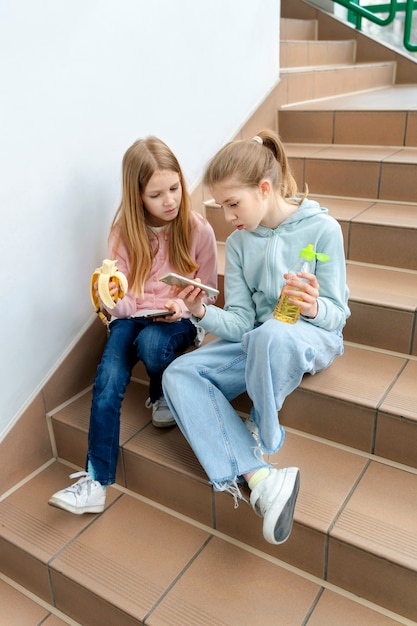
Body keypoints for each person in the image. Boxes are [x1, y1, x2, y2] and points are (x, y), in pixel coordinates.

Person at [162, 129, 350, 545]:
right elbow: (244, 324)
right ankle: (261, 478)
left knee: (271, 335)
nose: (227, 216)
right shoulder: (242, 242)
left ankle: (264, 430)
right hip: (261, 338)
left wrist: (313, 306)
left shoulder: (323, 230)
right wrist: (201, 311)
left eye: (233, 203)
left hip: (309, 334)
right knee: (176, 375)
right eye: (221, 206)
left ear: (264, 188)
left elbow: (338, 317)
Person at [49, 136, 218, 514]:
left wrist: (187, 306)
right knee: (108, 380)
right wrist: (113, 301)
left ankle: (161, 390)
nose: (170, 200)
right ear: (137, 195)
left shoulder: (197, 230)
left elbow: (210, 292)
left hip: (179, 319)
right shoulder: (124, 233)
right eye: (157, 194)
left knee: (153, 347)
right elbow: (123, 297)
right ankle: (95, 481)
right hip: (133, 317)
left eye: (174, 188)